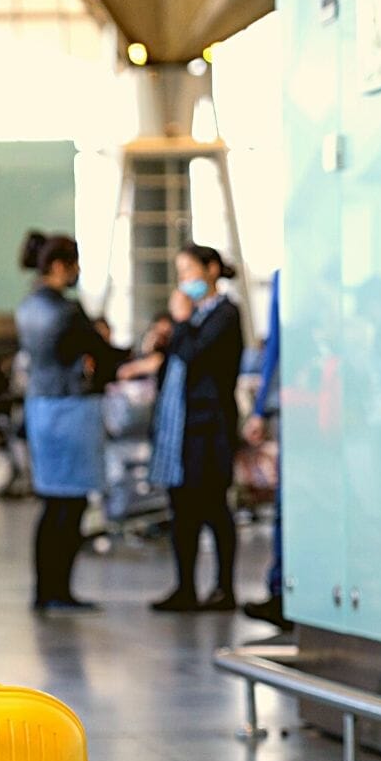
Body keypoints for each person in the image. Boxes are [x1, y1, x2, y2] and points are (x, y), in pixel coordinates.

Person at [120, 244, 247, 612]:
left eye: (190, 270)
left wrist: (179, 323)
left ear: (211, 270)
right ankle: (185, 587)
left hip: (210, 429)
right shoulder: (191, 320)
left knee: (213, 507)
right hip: (181, 430)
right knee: (183, 509)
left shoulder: (225, 314)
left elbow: (197, 356)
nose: (184, 280)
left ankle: (224, 588)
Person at [14, 232, 124, 611]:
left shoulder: (27, 307)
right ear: (61, 266)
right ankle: (58, 589)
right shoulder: (66, 311)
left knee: (51, 502)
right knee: (71, 504)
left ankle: (45, 589)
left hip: (41, 407)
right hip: (72, 409)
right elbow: (104, 354)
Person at [243, 270, 289, 629]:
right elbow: (273, 348)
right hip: (304, 410)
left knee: (290, 508)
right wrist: (259, 408)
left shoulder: (291, 279)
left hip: (309, 412)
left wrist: (260, 408)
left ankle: (283, 589)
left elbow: (275, 348)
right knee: (287, 507)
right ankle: (282, 588)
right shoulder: (288, 278)